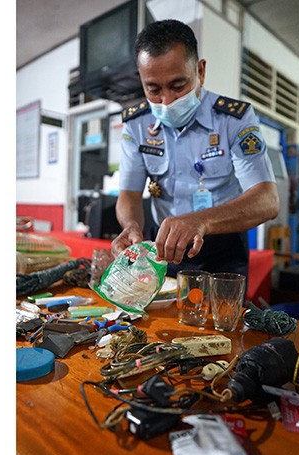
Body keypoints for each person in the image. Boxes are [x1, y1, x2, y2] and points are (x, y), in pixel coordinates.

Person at [112, 19, 279, 279]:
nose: (166, 101)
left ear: (200, 71)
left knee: (222, 319)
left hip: (223, 248)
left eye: (178, 86)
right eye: (153, 89)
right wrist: (132, 226)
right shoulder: (137, 124)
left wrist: (201, 221)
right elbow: (129, 194)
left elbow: (267, 200)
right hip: (162, 248)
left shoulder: (233, 119)